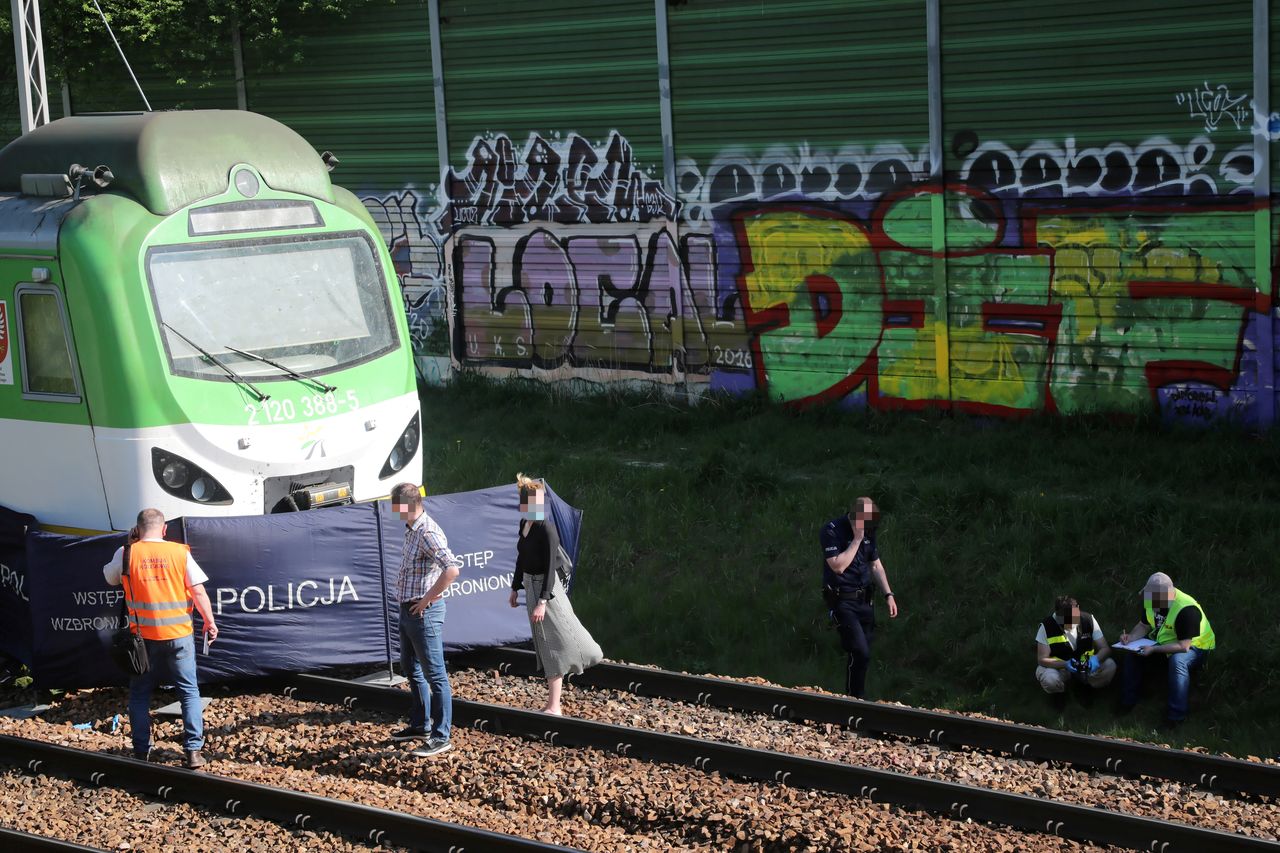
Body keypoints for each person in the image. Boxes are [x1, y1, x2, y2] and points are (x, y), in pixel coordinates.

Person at [102, 508, 218, 769]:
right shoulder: (179, 553)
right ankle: (193, 752)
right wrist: (209, 622)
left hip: (142, 640)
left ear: (137, 528)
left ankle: (142, 751)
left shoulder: (126, 553)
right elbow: (198, 592)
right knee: (189, 692)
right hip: (179, 636)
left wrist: (129, 546)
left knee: (140, 694)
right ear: (164, 529)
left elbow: (109, 578)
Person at [507, 474, 602, 715]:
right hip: (530, 587)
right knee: (544, 641)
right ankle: (554, 702)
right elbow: (522, 558)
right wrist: (515, 587)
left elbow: (550, 568)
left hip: (545, 590)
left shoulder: (546, 528)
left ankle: (554, 705)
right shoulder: (524, 524)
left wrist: (542, 601)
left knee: (552, 642)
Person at [390, 482, 461, 756]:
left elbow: (451, 570)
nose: (393, 511)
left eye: (395, 505)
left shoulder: (427, 532)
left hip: (423, 613)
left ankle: (442, 736)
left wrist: (427, 599)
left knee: (436, 675)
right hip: (410, 610)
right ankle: (421, 724)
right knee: (411, 667)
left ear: (408, 505)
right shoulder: (412, 529)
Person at [821, 496, 898, 698]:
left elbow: (875, 564)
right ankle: (855, 699)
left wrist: (888, 594)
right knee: (859, 651)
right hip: (842, 600)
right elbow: (838, 566)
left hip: (864, 600)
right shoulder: (832, 530)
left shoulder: (869, 531)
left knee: (863, 655)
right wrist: (856, 539)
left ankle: (856, 697)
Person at [1117, 572, 1215, 728]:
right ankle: (1127, 702)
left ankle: (1176, 716)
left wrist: (1154, 650)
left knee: (1178, 662)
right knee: (1133, 655)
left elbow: (1184, 647)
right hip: (1165, 642)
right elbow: (1143, 625)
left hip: (1195, 646)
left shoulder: (1186, 610)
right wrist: (1130, 638)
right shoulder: (1152, 600)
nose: (1151, 603)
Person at [1035, 595, 1116, 707]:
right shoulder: (1047, 626)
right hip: (1060, 667)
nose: (1073, 623)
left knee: (1110, 665)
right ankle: (1059, 694)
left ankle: (1088, 689)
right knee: (1050, 680)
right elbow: (1041, 659)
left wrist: (1095, 660)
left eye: (1075, 617)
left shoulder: (1088, 619)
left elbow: (1105, 648)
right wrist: (1065, 664)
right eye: (1068, 620)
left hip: (1085, 665)